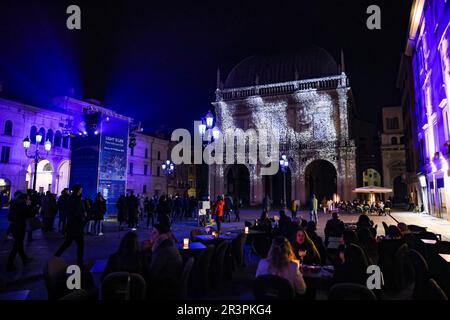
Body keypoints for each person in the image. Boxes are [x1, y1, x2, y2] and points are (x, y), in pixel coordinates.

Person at [146, 223, 183, 299]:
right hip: (171, 280)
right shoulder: (168, 244)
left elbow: (152, 273)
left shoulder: (163, 250)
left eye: (155, 232)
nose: (151, 234)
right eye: (151, 232)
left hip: (166, 287)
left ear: (161, 236)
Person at [54, 184, 86, 268]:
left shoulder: (73, 198)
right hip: (76, 226)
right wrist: (82, 217)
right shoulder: (75, 199)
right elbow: (77, 212)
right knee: (79, 244)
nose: (81, 191)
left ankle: (56, 256)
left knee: (68, 243)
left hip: (72, 225)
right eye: (81, 189)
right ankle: (80, 262)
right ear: (78, 190)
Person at [7, 192, 34, 272]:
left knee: (19, 244)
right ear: (24, 199)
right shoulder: (23, 206)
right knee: (16, 246)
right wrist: (29, 206)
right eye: (27, 199)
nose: (28, 200)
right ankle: (9, 264)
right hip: (20, 227)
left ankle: (25, 259)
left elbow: (9, 217)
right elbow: (31, 214)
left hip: (13, 226)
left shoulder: (14, 205)